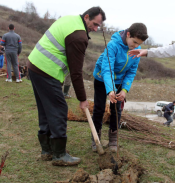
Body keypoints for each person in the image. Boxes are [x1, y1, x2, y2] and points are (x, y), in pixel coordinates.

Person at [27, 7, 106, 166]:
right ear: (86, 17)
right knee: (59, 110)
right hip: (46, 70)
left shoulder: (70, 19)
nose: (96, 29)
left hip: (35, 64)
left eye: (99, 26)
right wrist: (83, 99)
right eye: (95, 24)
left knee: (45, 108)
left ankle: (47, 150)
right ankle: (59, 155)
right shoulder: (79, 36)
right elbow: (76, 72)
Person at [92, 23, 148, 152]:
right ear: (128, 34)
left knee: (116, 110)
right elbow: (107, 69)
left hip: (119, 81)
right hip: (102, 78)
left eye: (138, 44)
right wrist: (110, 89)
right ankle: (96, 138)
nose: (135, 46)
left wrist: (124, 90)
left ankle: (113, 139)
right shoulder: (113, 45)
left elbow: (131, 72)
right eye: (134, 42)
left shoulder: (136, 50)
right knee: (99, 108)